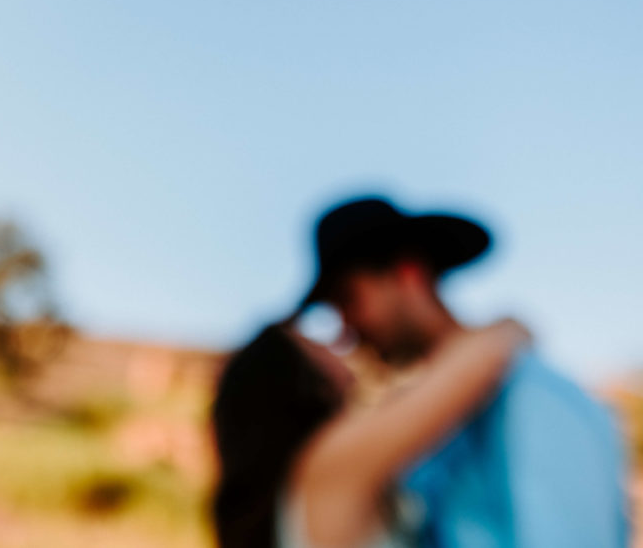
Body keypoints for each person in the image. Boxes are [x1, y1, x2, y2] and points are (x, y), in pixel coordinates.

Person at [292, 195, 630, 547]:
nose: (345, 329)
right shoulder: (421, 425)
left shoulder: (532, 394)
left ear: (409, 274)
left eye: (349, 299)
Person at [212, 316, 531, 548]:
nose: (338, 346)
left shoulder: (310, 481)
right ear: (299, 381)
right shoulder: (328, 463)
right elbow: (483, 357)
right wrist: (512, 325)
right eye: (316, 345)